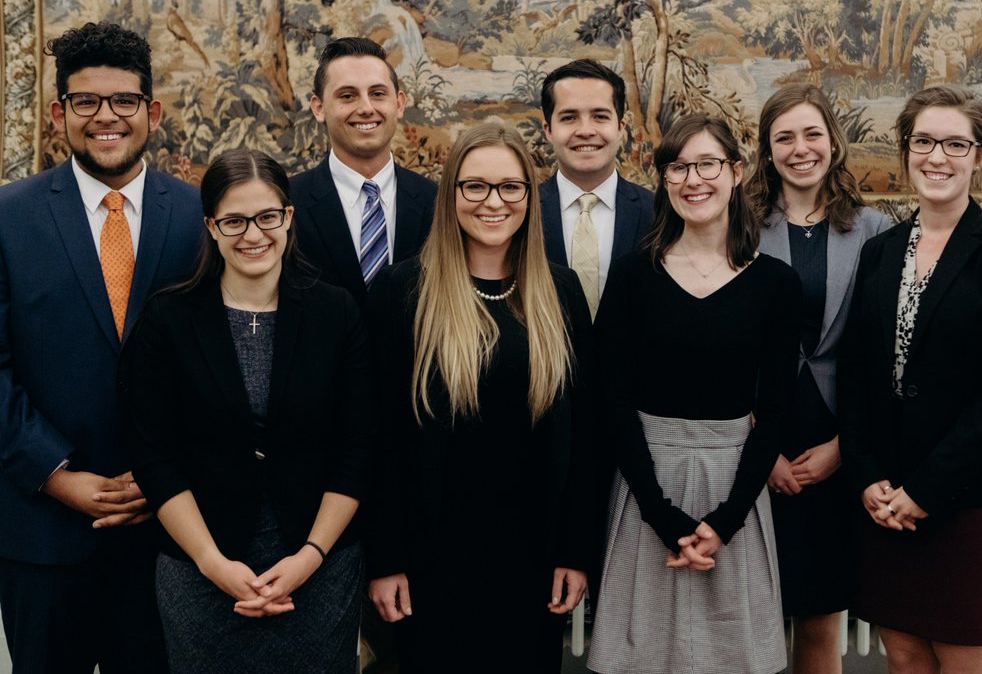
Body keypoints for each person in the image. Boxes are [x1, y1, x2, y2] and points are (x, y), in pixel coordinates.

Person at [120, 149, 374, 673]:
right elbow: (153, 456)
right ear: (211, 227)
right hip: (200, 571)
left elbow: (359, 446)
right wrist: (212, 564)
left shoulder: (336, 312)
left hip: (319, 569)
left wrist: (310, 557)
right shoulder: (168, 319)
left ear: (289, 218)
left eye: (267, 217)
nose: (253, 234)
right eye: (234, 220)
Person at [0, 22, 202, 673]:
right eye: (86, 101)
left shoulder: (201, 216)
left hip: (172, 532)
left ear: (152, 111)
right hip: (41, 532)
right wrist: (58, 476)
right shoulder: (9, 217)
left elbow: (221, 364)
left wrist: (163, 474)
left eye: (123, 101)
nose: (105, 117)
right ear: (60, 113)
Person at [366, 123, 594, 673]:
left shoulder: (560, 293)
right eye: (475, 187)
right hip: (429, 563)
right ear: (452, 196)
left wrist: (575, 551)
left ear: (529, 198)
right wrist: (386, 559)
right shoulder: (403, 292)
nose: (493, 202)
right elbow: (377, 439)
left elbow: (587, 436)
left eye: (510, 187)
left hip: (532, 559)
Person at [838, 85, 982, 674]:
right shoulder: (879, 252)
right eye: (923, 141)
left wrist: (925, 492)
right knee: (905, 664)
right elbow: (855, 375)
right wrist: (867, 474)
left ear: (980, 155)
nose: (937, 157)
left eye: (956, 143)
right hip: (886, 508)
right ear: (905, 150)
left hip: (970, 509)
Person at [588, 114, 801, 674]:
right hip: (646, 489)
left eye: (707, 164)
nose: (692, 179)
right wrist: (662, 516)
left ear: (736, 171)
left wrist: (724, 521)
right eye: (677, 167)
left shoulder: (775, 284)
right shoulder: (634, 274)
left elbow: (776, 409)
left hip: (735, 491)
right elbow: (613, 397)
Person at [744, 84, 890, 674]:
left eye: (812, 134)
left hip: (835, 444)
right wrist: (761, 449)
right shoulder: (740, 225)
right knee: (748, 619)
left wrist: (844, 450)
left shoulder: (876, 229)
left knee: (820, 619)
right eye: (784, 137)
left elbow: (881, 356)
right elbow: (728, 347)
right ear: (767, 150)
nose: (800, 148)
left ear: (833, 141)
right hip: (756, 440)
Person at [292, 36, 437, 308]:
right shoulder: (286, 205)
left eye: (378, 93)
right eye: (347, 96)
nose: (366, 108)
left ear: (399, 103)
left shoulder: (437, 202)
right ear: (319, 107)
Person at [538, 59, 654, 317]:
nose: (586, 131)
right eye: (569, 118)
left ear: (621, 127)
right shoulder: (523, 211)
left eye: (600, 117)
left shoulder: (658, 212)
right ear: (548, 130)